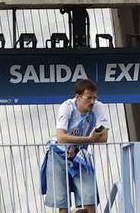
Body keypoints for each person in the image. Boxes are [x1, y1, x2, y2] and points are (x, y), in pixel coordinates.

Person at [45, 79, 108, 213]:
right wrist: (88, 139)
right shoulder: (66, 106)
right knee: (62, 200)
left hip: (80, 155)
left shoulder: (98, 107)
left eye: (94, 98)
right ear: (78, 97)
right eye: (89, 97)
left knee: (89, 196)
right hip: (59, 154)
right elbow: (61, 137)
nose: (92, 101)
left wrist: (83, 141)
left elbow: (104, 137)